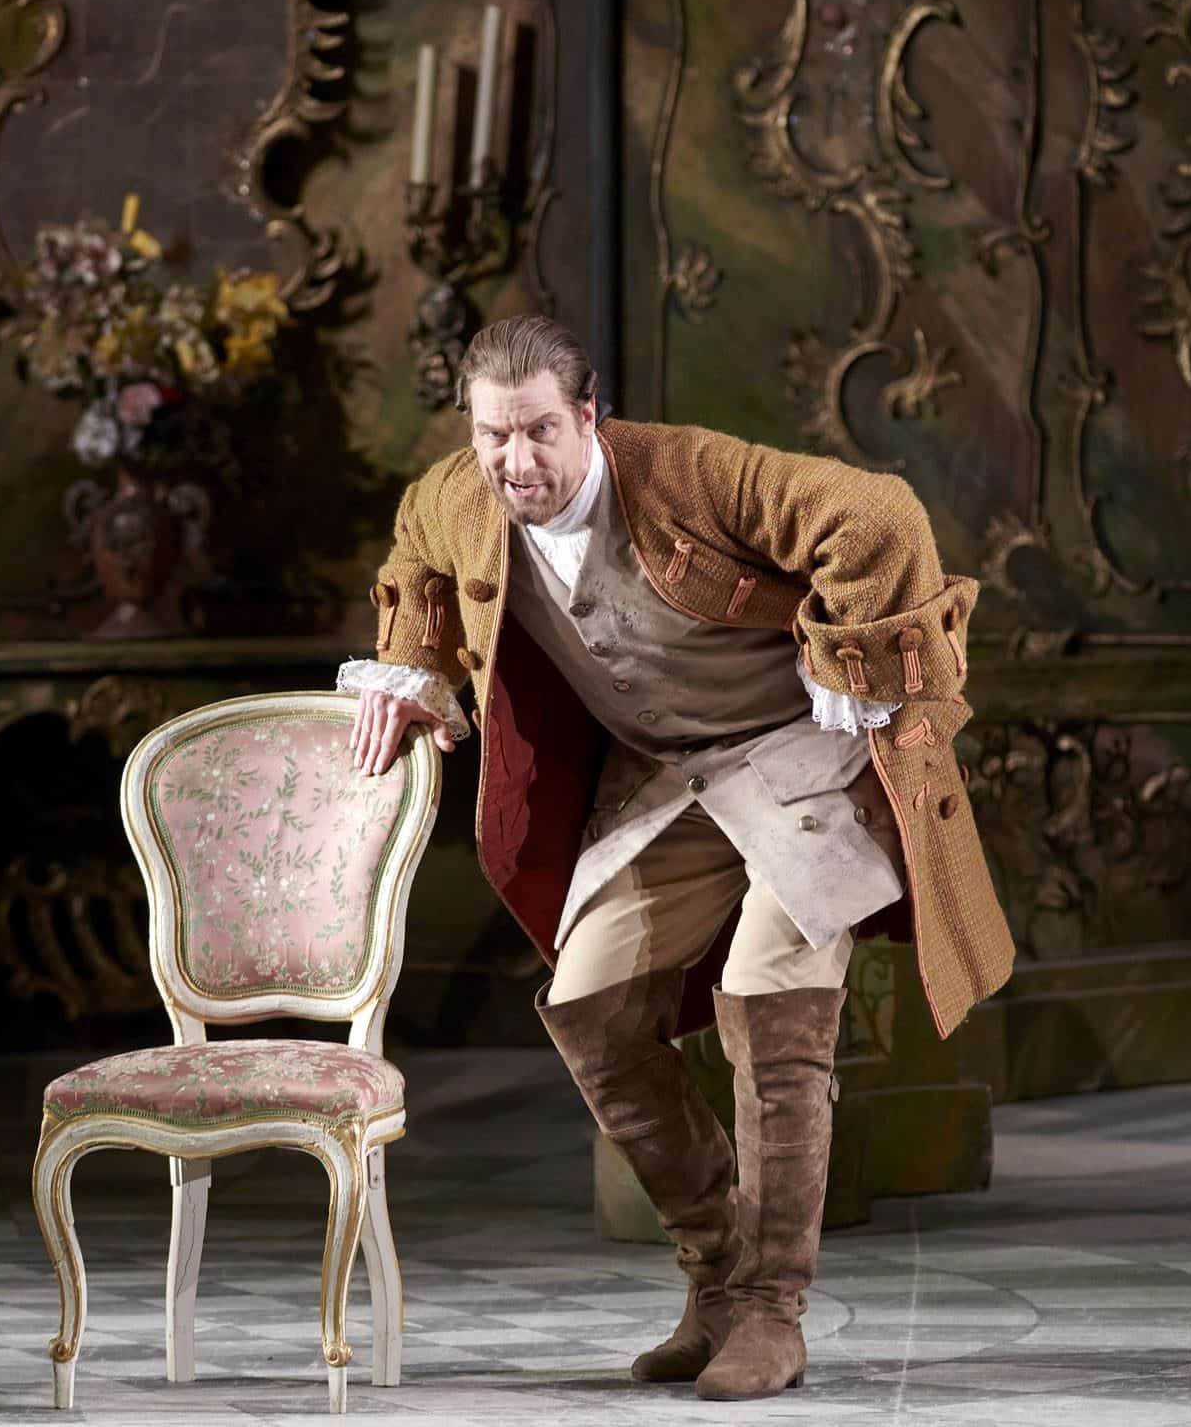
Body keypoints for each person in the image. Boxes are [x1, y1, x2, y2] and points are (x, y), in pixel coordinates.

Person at [338, 315, 1013, 1401]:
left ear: (589, 415)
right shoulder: (457, 495)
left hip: (804, 764)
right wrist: (410, 670)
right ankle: (714, 1281)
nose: (517, 463)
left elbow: (876, 511)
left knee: (764, 996)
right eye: (493, 436)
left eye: (540, 431)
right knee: (590, 1005)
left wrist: (847, 650)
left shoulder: (686, 473)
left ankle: (772, 1312)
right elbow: (416, 559)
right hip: (671, 782)